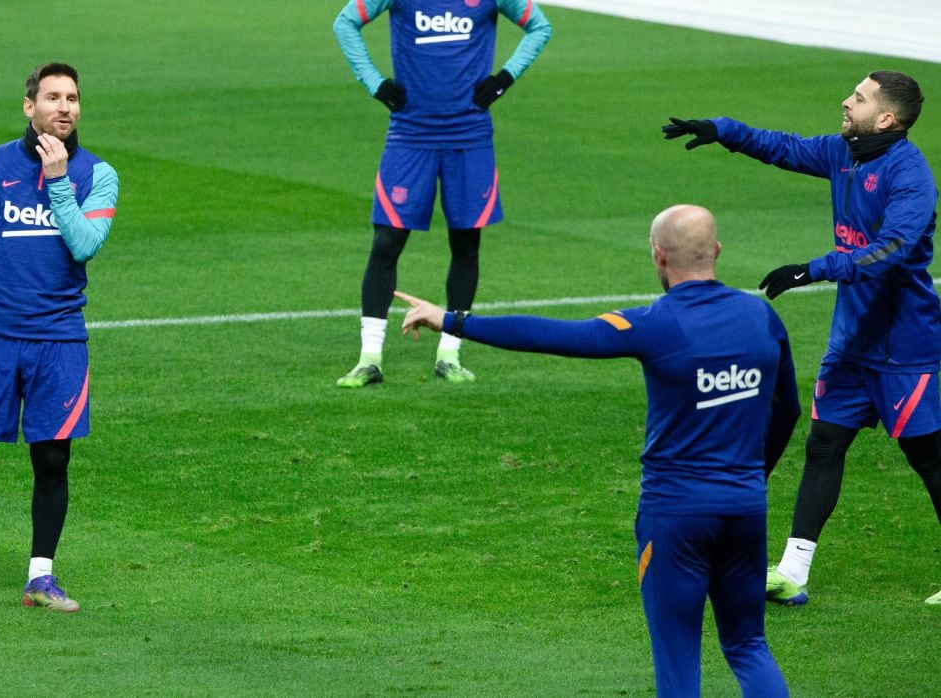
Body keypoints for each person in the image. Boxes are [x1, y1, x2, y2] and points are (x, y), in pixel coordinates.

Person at [397, 205, 800, 696]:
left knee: (678, 659)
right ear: (716, 251)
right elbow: (789, 409)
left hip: (675, 518)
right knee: (748, 645)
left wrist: (452, 320)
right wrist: (755, 475)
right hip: (745, 510)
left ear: (658, 255)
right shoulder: (761, 315)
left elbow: (559, 335)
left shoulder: (657, 323)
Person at [664, 71, 941, 606]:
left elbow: (893, 249)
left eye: (858, 98)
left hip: (905, 345)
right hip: (853, 339)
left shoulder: (910, 176)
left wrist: (811, 270)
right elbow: (783, 147)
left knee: (928, 457)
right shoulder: (845, 153)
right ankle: (793, 573)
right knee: (823, 445)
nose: (846, 100)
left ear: (886, 117)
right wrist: (721, 129)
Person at [0, 63, 118, 612]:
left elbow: (83, 245)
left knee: (52, 459)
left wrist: (59, 182)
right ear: (28, 105)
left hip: (59, 341)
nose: (65, 107)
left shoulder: (97, 175)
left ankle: (41, 575)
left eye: (74, 98)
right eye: (53, 97)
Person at [332, 0, 552, 387]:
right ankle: (369, 358)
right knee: (387, 241)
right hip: (409, 135)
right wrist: (374, 81)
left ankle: (450, 353)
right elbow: (345, 22)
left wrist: (505, 77)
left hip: (470, 137)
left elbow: (540, 27)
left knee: (466, 243)